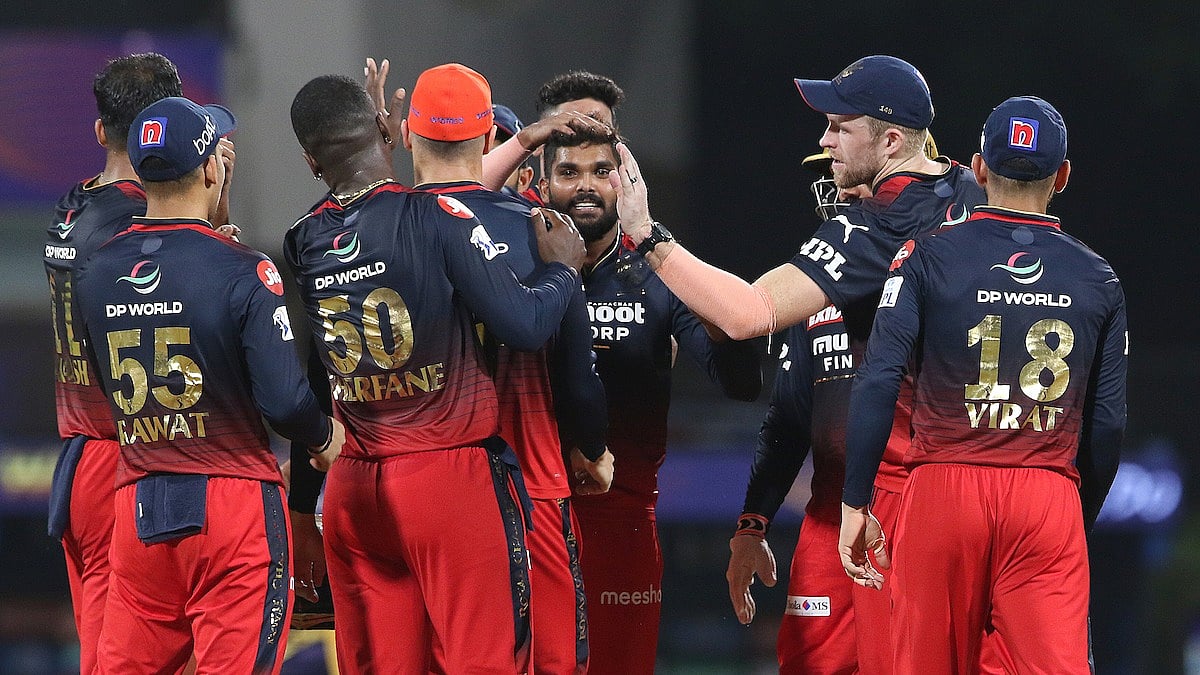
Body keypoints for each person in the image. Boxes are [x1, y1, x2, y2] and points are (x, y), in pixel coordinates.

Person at [285, 67, 587, 673]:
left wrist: (302, 506)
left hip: (352, 487)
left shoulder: (302, 238)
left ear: (311, 159)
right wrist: (563, 271)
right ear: (383, 128)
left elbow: (313, 380)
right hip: (447, 478)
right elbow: (525, 324)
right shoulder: (436, 218)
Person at [839, 96, 1127, 674]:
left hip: (943, 487)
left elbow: (878, 380)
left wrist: (856, 499)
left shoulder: (924, 256)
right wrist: (1074, 511)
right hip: (1046, 493)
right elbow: (1108, 422)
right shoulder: (1099, 278)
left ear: (977, 168)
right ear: (1062, 177)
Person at [74, 95, 344, 674]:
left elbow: (103, 379)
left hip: (140, 502)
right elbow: (285, 403)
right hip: (233, 505)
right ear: (211, 168)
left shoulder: (94, 270)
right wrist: (324, 439)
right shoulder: (242, 268)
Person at [726, 136, 989, 675]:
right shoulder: (809, 290)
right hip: (828, 516)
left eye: (843, 166)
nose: (836, 182)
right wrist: (752, 526)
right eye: (829, 170)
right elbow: (787, 421)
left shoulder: (942, 276)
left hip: (915, 509)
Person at [541, 127, 762, 674]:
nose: (587, 186)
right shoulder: (513, 268)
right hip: (532, 516)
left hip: (624, 522)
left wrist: (713, 305)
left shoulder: (659, 273)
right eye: (569, 173)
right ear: (540, 182)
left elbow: (740, 383)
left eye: (602, 172)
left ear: (626, 182)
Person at [418, 71, 615, 674]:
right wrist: (592, 447)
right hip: (531, 484)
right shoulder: (550, 238)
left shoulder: (390, 227)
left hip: (421, 487)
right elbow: (578, 377)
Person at [611, 55, 982, 341]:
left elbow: (750, 314)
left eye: (841, 128)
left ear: (891, 142)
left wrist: (647, 234)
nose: (825, 140)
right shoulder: (977, 187)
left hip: (925, 434)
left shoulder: (871, 225)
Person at [43, 53, 187, 674]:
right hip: (127, 461)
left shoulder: (72, 208)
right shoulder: (140, 224)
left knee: (107, 654)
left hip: (81, 461)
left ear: (101, 132)